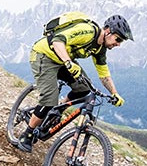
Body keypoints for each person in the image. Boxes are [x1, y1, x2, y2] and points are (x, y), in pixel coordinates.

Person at [15, 13, 132, 152]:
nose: (118, 44)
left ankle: (57, 109)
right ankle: (27, 134)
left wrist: (114, 93)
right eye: (118, 39)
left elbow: (104, 74)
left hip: (63, 61)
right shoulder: (88, 31)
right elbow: (57, 41)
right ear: (107, 31)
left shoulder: (101, 48)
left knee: (83, 88)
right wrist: (69, 63)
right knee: (49, 98)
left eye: (121, 42)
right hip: (44, 56)